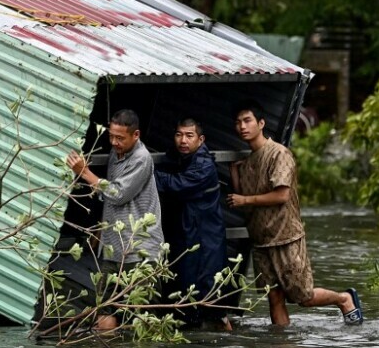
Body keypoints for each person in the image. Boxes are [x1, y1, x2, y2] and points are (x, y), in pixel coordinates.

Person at [226, 100, 363, 326]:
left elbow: (281, 195)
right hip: (261, 241)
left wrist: (244, 198)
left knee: (303, 297)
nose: (242, 126)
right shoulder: (247, 162)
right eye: (238, 122)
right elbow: (245, 203)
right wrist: (236, 176)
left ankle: (344, 298)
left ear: (261, 123)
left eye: (247, 120)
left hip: (285, 236)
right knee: (274, 298)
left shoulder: (279, 154)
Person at [66, 109, 164, 332]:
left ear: (136, 135)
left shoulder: (142, 158)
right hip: (112, 248)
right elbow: (109, 199)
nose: (114, 142)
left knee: (144, 319)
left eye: (120, 138)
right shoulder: (115, 154)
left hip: (141, 250)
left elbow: (118, 194)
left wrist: (85, 173)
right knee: (106, 311)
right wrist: (102, 229)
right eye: (111, 136)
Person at [155, 118, 231, 330]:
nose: (183, 140)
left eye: (189, 136)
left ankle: (222, 333)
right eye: (179, 135)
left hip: (206, 239)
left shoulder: (203, 164)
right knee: (187, 292)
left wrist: (146, 172)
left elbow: (177, 185)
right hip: (190, 236)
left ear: (201, 139)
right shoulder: (179, 157)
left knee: (209, 297)